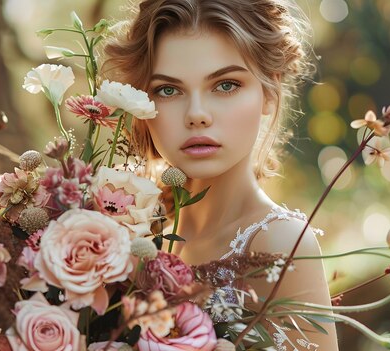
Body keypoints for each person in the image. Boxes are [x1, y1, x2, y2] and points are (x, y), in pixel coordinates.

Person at [103, 0, 339, 349]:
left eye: (226, 85)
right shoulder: (133, 239)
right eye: (168, 90)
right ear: (141, 106)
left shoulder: (281, 243)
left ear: (269, 92)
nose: (197, 114)